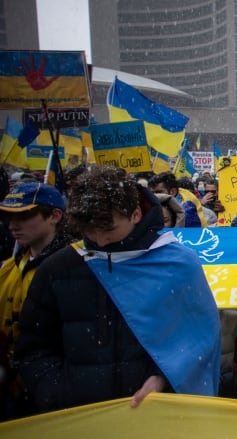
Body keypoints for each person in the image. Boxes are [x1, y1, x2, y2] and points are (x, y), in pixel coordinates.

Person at [14, 165, 220, 414]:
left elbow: (199, 340)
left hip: (154, 416)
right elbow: (33, 348)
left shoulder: (178, 264)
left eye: (109, 229)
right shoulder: (58, 269)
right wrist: (57, 394)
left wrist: (164, 380)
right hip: (77, 420)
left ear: (135, 214)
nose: (100, 241)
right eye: (90, 230)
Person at [0, 183, 73, 419]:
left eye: (24, 216)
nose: (13, 225)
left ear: (54, 216)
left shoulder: (74, 268)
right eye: (8, 217)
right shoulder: (8, 267)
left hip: (51, 393)